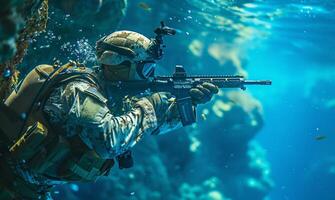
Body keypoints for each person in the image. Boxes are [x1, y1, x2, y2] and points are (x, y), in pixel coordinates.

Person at [0, 30, 219, 199]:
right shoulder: (80, 90)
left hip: (26, 188)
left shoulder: (109, 96)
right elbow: (108, 140)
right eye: (145, 69)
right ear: (117, 64)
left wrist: (186, 105)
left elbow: (150, 125)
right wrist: (151, 106)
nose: (150, 77)